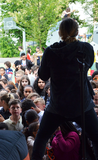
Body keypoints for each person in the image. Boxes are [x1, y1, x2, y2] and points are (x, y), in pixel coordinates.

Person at [31, 18, 98, 159]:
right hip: (82, 104)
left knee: (42, 138)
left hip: (58, 105)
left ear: (60, 32)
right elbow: (87, 66)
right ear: (77, 31)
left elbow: (43, 75)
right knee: (96, 138)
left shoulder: (51, 51)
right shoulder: (86, 48)